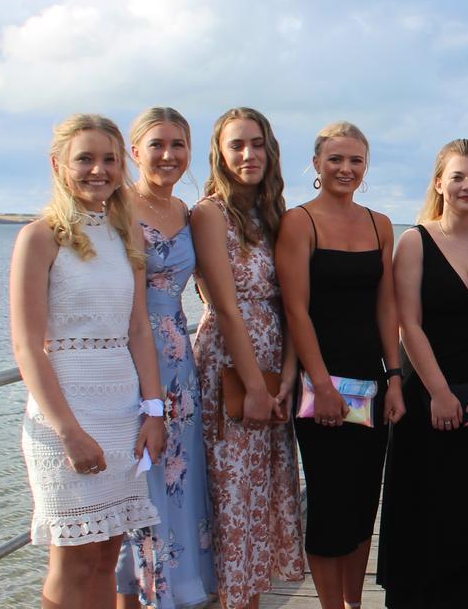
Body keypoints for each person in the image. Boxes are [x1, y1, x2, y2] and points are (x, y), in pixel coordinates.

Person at [10, 113, 164, 608]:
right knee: (72, 559)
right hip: (68, 411)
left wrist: (154, 410)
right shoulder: (40, 237)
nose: (98, 170)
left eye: (109, 160)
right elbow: (27, 346)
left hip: (122, 410)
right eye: (85, 159)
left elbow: (139, 328)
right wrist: (69, 431)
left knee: (107, 554)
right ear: (58, 165)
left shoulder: (126, 235)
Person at [377, 138, 468, 609]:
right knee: (423, 513)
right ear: (439, 183)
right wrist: (438, 392)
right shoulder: (415, 240)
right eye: (457, 176)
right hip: (426, 396)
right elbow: (408, 322)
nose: (467, 185)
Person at [276, 122, 406, 609]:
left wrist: (394, 378)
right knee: (329, 503)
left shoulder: (380, 224)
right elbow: (296, 310)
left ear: (366, 166)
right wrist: (321, 382)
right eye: (335, 159)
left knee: (362, 500)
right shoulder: (299, 222)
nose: (345, 169)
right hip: (318, 385)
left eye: (355, 160)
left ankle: (353, 602)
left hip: (369, 382)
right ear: (316, 165)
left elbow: (386, 306)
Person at [191, 107, 304, 609]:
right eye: (236, 145)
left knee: (263, 500)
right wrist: (256, 386)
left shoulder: (274, 213)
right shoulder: (209, 213)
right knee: (233, 499)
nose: (248, 154)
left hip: (277, 361)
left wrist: (290, 373)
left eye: (256, 144)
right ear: (219, 154)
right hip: (231, 366)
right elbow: (225, 306)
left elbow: (295, 301)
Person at [115, 107, 218, 609]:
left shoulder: (187, 212)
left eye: (179, 145)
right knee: (140, 493)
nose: (169, 155)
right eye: (157, 144)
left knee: (177, 487)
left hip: (182, 360)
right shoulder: (120, 208)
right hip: (135, 360)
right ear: (135, 152)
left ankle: (174, 597)